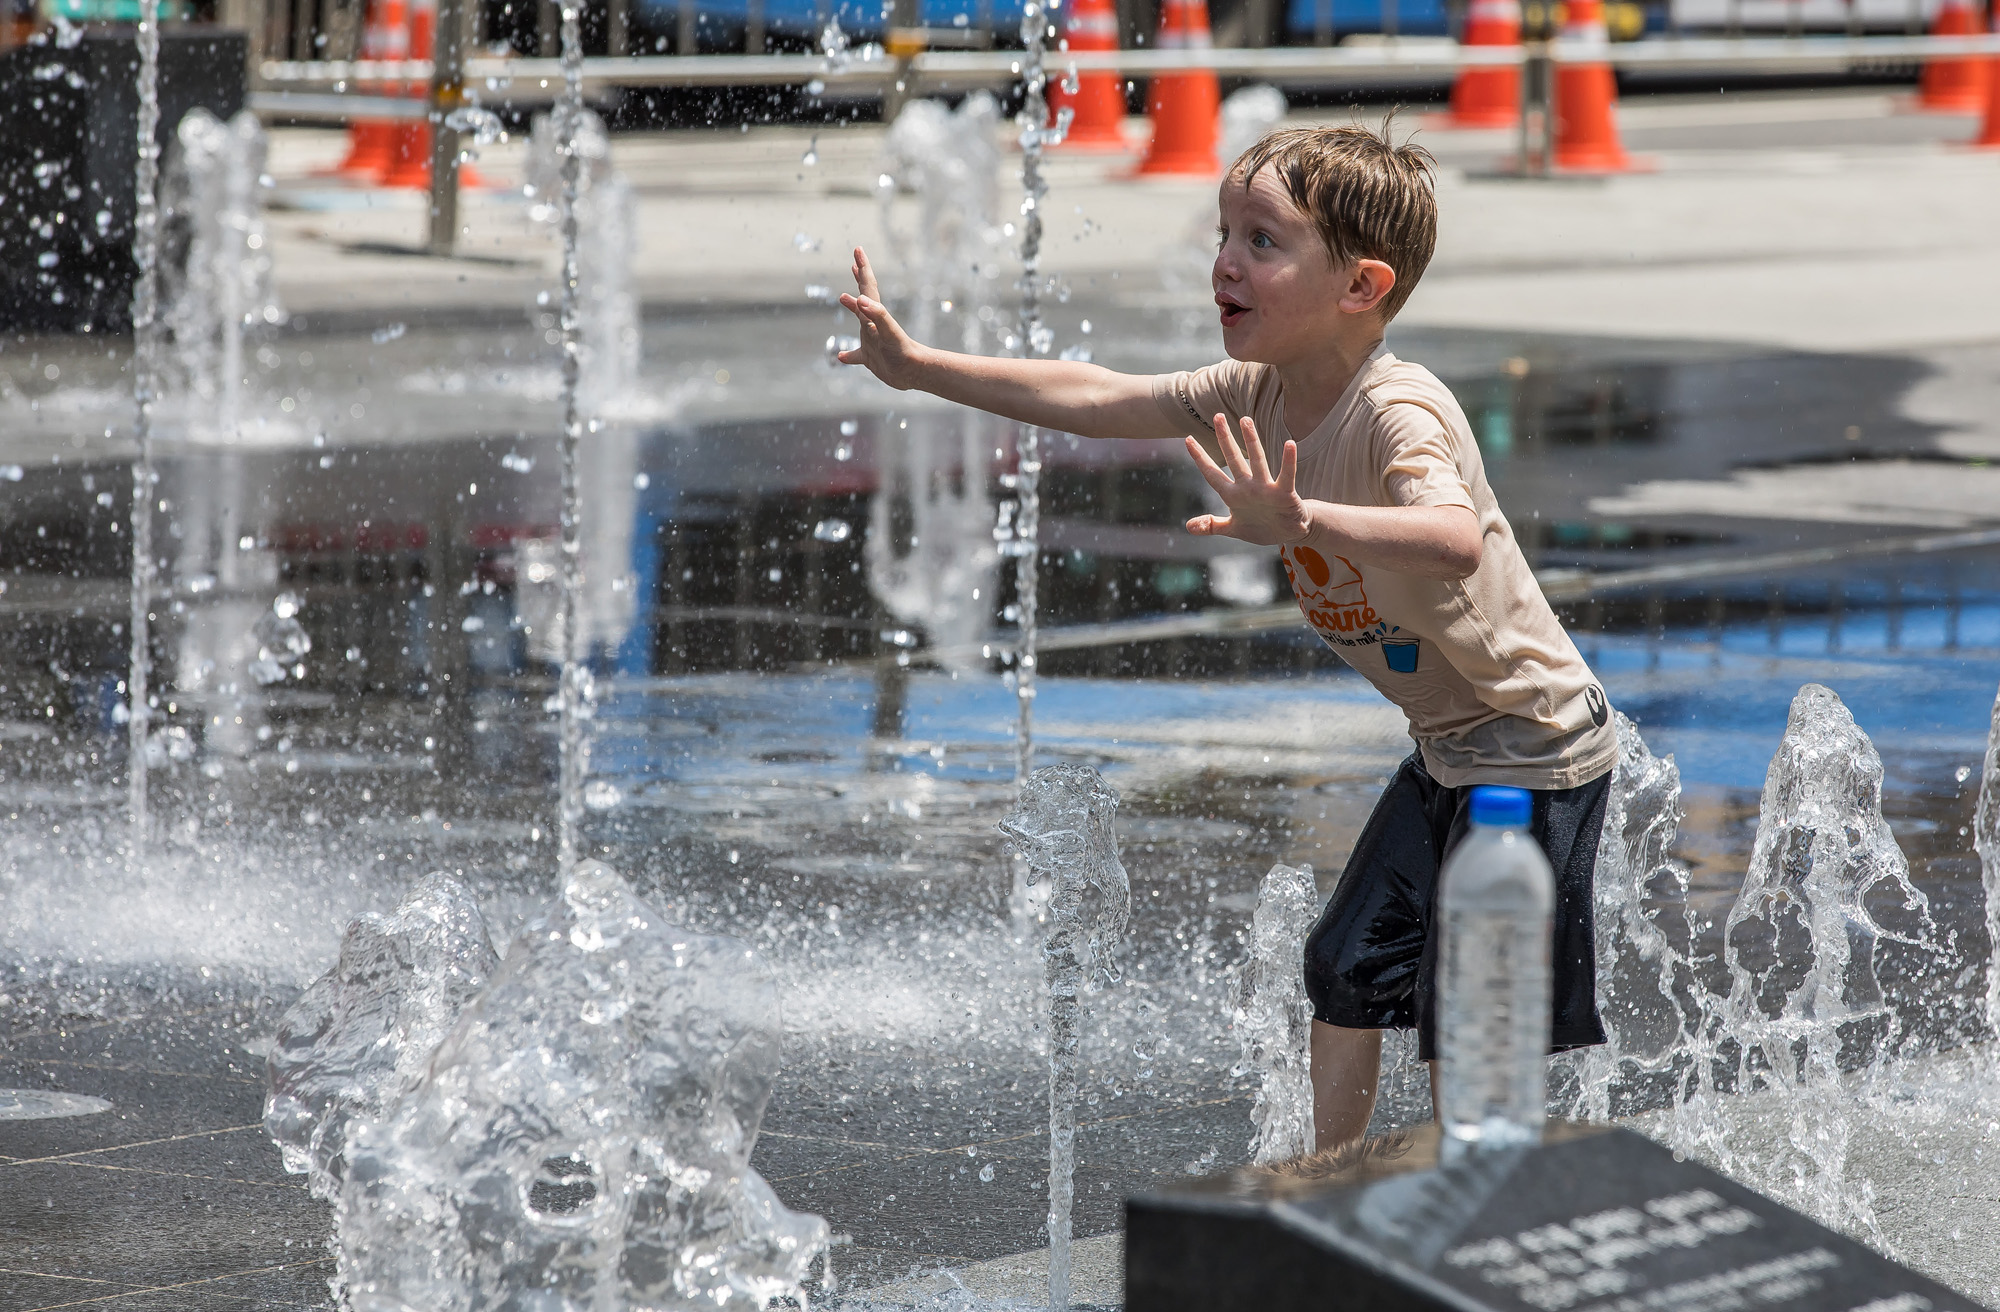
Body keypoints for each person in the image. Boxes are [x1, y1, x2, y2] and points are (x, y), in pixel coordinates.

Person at [836, 122, 1616, 1152]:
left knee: (1464, 1015)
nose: (1224, 261)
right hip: (1449, 750)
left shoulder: (1395, 410)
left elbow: (1449, 538)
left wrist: (1301, 523)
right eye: (1223, 232)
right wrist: (920, 367)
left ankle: (1469, 1209)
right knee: (1343, 966)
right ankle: (1326, 1177)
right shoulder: (1254, 391)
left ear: (1359, 285)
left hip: (1534, 750)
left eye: (1262, 240)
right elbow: (1102, 396)